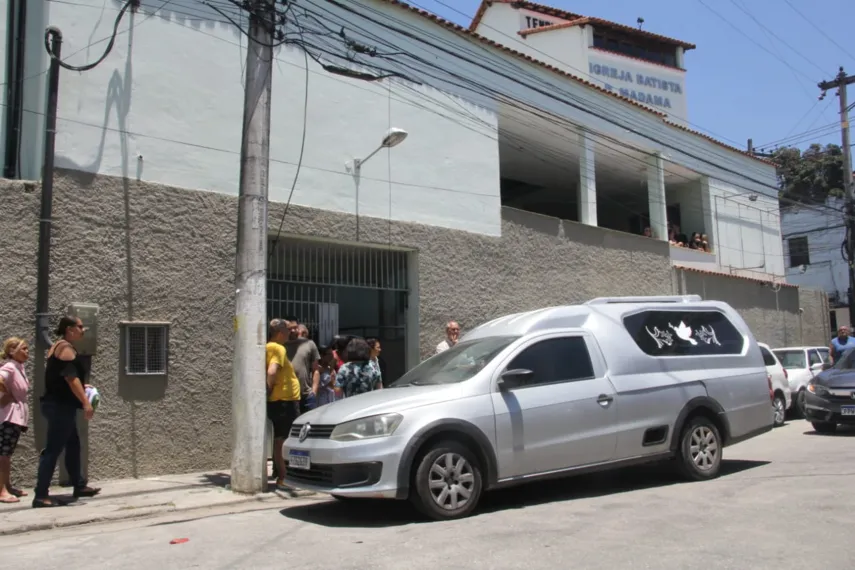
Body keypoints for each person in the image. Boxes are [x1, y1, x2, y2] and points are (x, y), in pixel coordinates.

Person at [33, 316, 100, 508]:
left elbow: (63, 378)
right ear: (70, 329)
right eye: (80, 327)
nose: (83, 330)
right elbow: (71, 378)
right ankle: (40, 495)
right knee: (53, 450)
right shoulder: (66, 349)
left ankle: (78, 485)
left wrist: (82, 385)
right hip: (60, 406)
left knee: (73, 444)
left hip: (58, 405)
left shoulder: (59, 346)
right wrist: (86, 402)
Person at [266, 319, 301, 490]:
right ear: (280, 332)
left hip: (280, 401)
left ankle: (282, 475)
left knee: (280, 438)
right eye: (287, 330)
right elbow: (272, 370)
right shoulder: (278, 348)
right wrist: (268, 389)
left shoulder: (268, 347)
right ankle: (284, 477)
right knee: (284, 440)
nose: (290, 333)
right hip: (284, 401)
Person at [0, 337, 30, 503]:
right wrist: (7, 394)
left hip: (17, 416)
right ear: (12, 351)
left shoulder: (19, 367)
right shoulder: (10, 367)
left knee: (7, 453)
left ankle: (7, 485)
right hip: (8, 416)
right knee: (3, 454)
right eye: (23, 349)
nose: (27, 352)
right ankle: (1, 490)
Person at [285, 323, 320, 414]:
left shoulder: (309, 344)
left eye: (295, 328)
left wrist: (314, 392)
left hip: (306, 394)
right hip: (288, 396)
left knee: (309, 424)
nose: (293, 331)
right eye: (289, 329)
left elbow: (315, 369)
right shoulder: (281, 345)